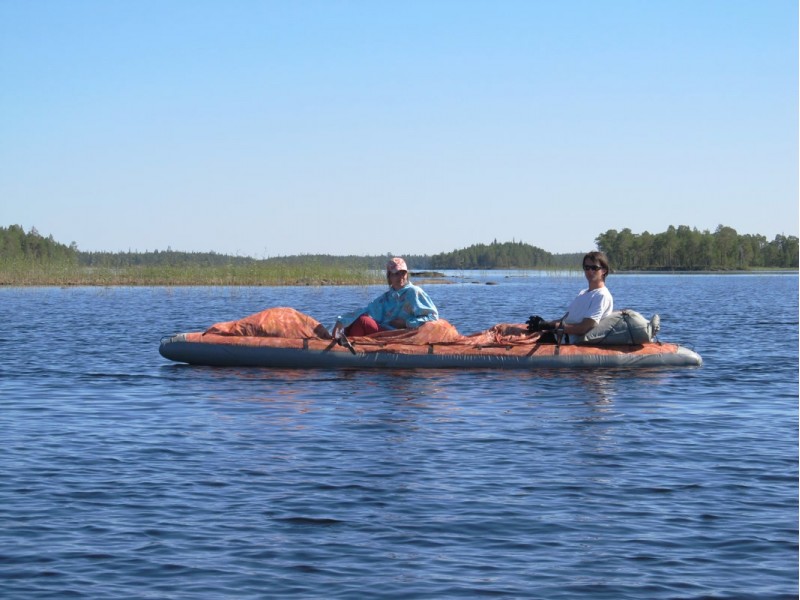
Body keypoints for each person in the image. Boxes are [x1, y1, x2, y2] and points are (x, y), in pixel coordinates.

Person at [332, 257, 439, 338]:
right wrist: (341, 321)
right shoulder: (387, 297)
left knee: (363, 321)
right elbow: (366, 310)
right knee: (354, 321)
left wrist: (406, 323)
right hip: (386, 331)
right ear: (389, 276)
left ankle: (350, 351)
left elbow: (433, 317)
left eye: (403, 273)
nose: (401, 277)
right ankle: (344, 346)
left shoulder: (414, 292)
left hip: (403, 334)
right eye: (396, 274)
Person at [527, 251, 613, 341]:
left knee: (521, 340)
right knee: (521, 333)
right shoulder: (583, 293)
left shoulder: (602, 296)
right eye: (586, 267)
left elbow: (583, 328)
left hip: (568, 341)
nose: (589, 271)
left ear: (604, 270)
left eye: (594, 268)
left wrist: (549, 326)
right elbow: (565, 320)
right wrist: (544, 323)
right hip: (558, 335)